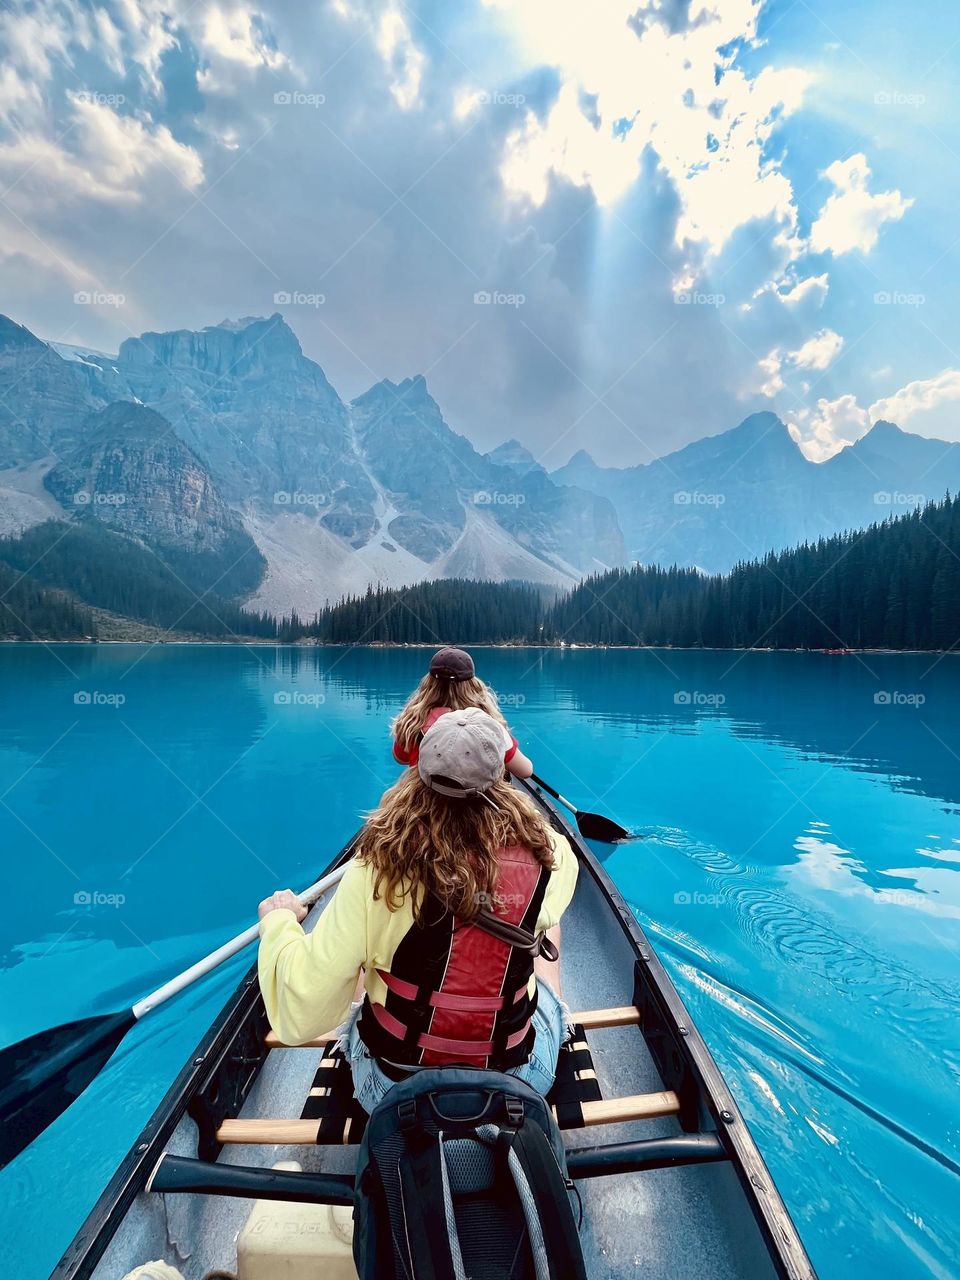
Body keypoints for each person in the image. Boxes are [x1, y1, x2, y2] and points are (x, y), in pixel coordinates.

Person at [257, 708, 577, 1112]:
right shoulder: (552, 857)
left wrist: (280, 923)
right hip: (519, 1078)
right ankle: (556, 1008)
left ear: (419, 774)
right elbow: (544, 880)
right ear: (501, 779)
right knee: (543, 935)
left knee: (366, 961)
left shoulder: (372, 870)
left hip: (394, 1089)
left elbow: (300, 1013)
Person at [391, 646, 534, 778]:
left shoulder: (414, 722)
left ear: (428, 684)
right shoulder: (490, 725)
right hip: (476, 802)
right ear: (473, 685)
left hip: (423, 800)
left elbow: (400, 758)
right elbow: (525, 771)